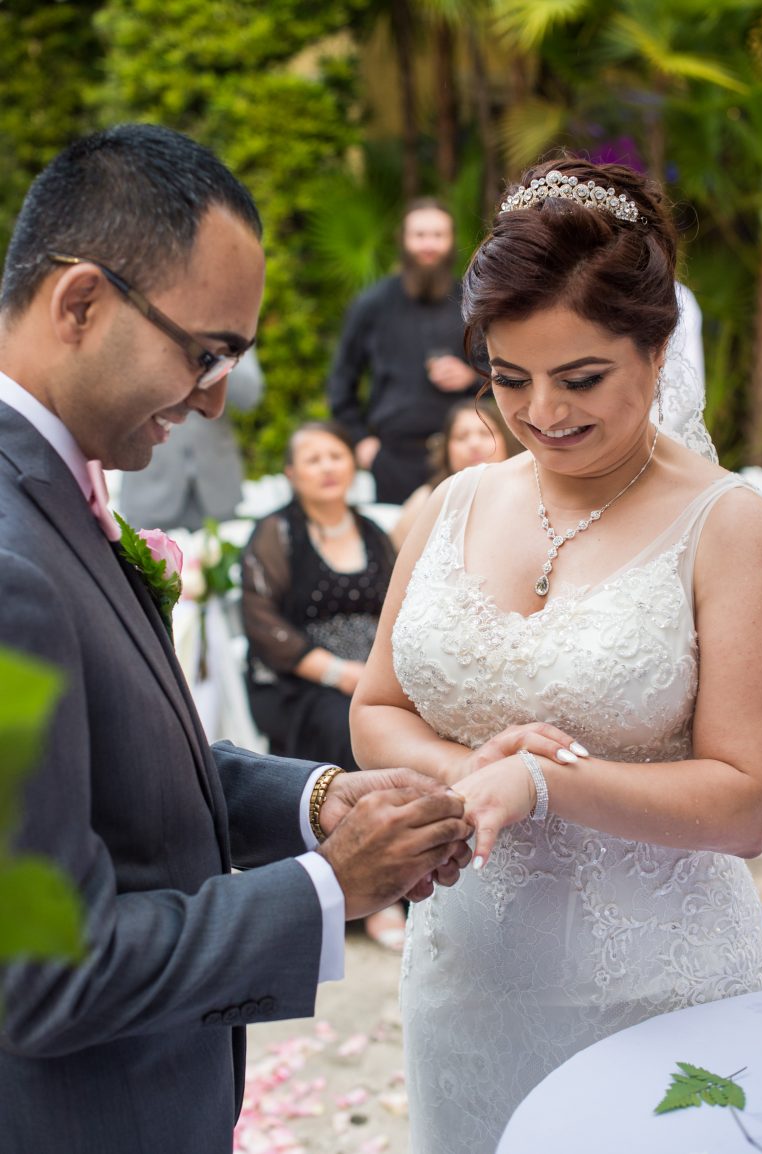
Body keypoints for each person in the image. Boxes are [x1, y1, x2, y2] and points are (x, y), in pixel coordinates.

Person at [0, 124, 472, 1154]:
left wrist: (315, 800)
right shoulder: (8, 559)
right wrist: (329, 886)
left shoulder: (55, 494)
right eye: (204, 351)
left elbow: (118, 765)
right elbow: (41, 967)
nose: (215, 395)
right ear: (78, 302)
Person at [351, 158, 762, 1153]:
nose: (542, 413)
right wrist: (469, 772)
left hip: (660, 998)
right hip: (463, 982)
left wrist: (547, 782)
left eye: (581, 378)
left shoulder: (727, 523)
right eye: (508, 378)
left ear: (658, 348)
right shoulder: (453, 505)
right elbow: (376, 710)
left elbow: (749, 801)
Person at [242, 419, 406, 950]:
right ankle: (369, 898)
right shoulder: (277, 533)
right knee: (348, 728)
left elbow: (400, 607)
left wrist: (380, 672)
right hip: (304, 680)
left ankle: (414, 873)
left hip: (377, 669)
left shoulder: (373, 533)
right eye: (312, 459)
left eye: (335, 455)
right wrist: (339, 674)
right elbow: (263, 622)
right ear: (291, 473)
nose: (327, 467)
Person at [327, 198, 479, 504]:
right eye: (420, 235)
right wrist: (361, 442)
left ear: (451, 241)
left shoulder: (473, 301)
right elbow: (341, 381)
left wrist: (470, 379)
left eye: (438, 236)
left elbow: (504, 373)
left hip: (464, 457)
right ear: (403, 240)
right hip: (393, 461)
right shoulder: (372, 304)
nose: (428, 245)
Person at [118, 347, 264, 530]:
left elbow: (250, 396)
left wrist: (216, 357)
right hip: (149, 488)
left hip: (217, 489)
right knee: (139, 558)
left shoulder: (231, 324)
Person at [390, 396, 520, 550]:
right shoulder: (425, 500)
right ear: (447, 449)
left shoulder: (530, 491)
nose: (474, 444)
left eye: (486, 434)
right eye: (461, 437)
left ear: (506, 439)